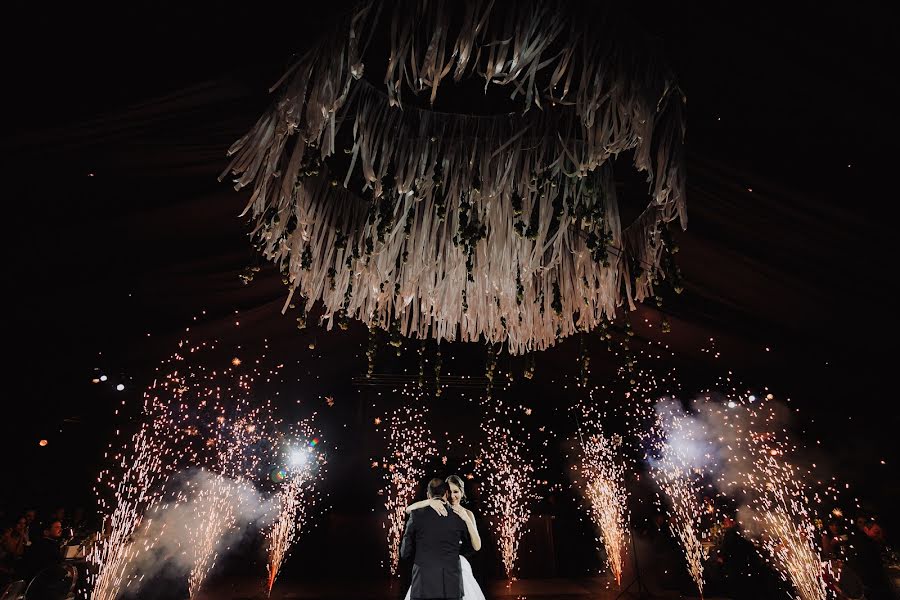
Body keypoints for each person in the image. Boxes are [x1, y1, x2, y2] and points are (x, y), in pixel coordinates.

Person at [400, 478, 476, 600]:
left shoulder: (416, 515)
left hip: (422, 583)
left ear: (428, 495)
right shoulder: (459, 517)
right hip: (451, 584)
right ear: (446, 494)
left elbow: (405, 553)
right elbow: (470, 548)